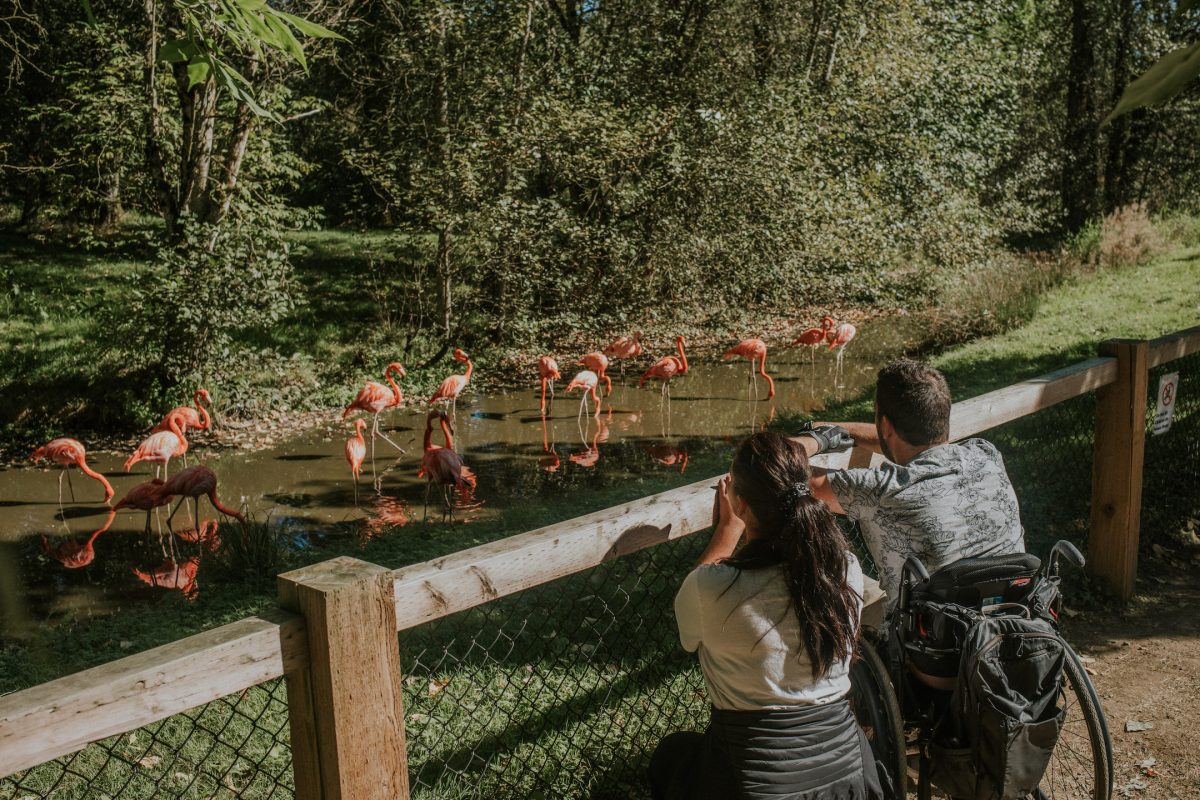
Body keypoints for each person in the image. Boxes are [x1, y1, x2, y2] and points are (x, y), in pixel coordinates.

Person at [649, 431, 883, 800]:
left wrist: (728, 531)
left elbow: (689, 629)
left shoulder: (713, 587)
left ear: (741, 504)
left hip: (756, 782)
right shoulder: (844, 568)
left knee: (670, 756)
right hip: (847, 771)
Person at [796, 358, 1025, 609]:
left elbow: (780, 466)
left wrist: (818, 438)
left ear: (885, 425)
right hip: (1012, 617)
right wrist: (841, 429)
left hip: (924, 632)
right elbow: (912, 441)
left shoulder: (883, 490)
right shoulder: (985, 454)